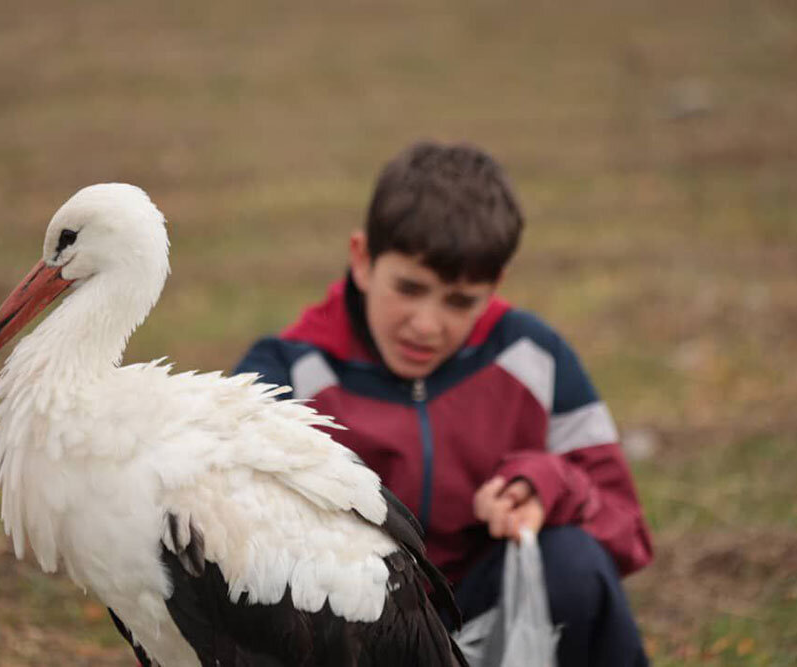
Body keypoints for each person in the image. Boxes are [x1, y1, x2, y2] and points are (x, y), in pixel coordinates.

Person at [235, 141, 653, 665]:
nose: (427, 325)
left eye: (459, 301)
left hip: (483, 622)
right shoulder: (286, 374)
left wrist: (547, 487)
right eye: (409, 288)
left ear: (495, 286)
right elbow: (208, 548)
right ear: (362, 260)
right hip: (350, 639)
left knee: (573, 561)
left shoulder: (534, 358)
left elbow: (625, 527)